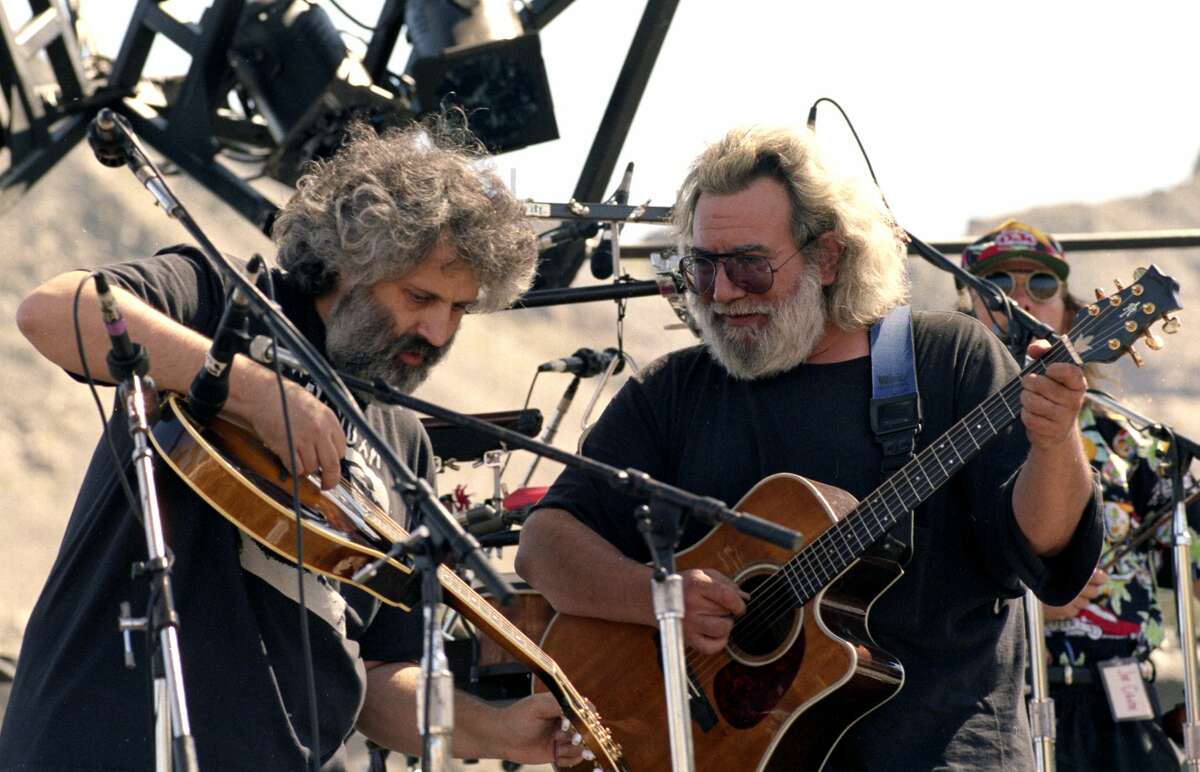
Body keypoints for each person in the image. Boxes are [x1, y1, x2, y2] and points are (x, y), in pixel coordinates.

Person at [2, 121, 584, 770]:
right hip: (100, 745)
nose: (438, 328)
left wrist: (499, 731)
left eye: (459, 308)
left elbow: (376, 670)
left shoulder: (402, 442)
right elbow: (53, 311)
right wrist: (250, 390)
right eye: (419, 296)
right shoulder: (225, 303)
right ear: (350, 260)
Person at [515, 126, 1104, 769]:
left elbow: (1046, 555)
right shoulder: (676, 391)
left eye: (748, 265)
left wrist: (1053, 442)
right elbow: (545, 544)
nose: (721, 292)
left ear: (827, 256)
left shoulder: (945, 358)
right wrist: (655, 597)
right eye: (701, 267)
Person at [961, 219, 1198, 770]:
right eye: (997, 288)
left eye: (1042, 286)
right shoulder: (935, 442)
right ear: (966, 311)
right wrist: (1024, 608)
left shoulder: (1131, 443)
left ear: (1067, 311)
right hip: (994, 708)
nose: (1022, 299)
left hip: (1121, 711)